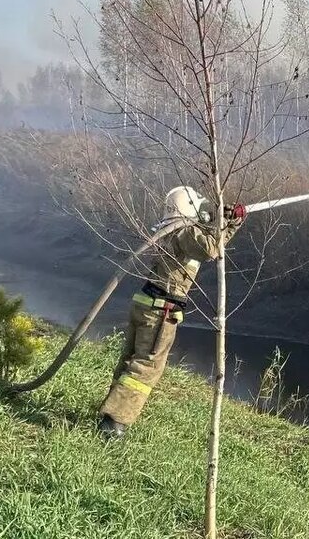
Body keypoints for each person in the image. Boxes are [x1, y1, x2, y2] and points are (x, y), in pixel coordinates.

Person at [97, 186, 244, 438]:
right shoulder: (184, 233)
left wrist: (226, 221)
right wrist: (231, 224)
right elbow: (210, 249)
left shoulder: (171, 231)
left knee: (131, 360)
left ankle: (109, 414)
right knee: (147, 366)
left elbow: (205, 241)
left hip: (145, 304)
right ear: (189, 209)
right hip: (160, 310)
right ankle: (114, 425)